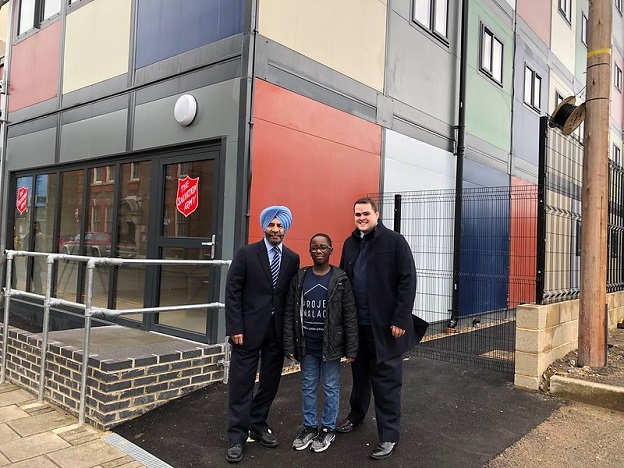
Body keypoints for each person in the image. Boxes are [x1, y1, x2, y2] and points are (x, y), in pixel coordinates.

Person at [336, 197, 424, 460]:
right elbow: (343, 280)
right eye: (357, 214)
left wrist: (400, 319)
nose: (361, 218)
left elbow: (408, 280)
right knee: (360, 376)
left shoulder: (394, 242)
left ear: (377, 214)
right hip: (358, 326)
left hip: (386, 327)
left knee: (386, 382)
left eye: (365, 213)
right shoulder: (350, 244)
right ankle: (356, 415)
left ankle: (388, 436)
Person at [225, 205, 300, 464]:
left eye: (280, 226)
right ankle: (236, 436)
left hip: (275, 333)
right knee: (241, 383)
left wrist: (290, 334)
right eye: (272, 225)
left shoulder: (292, 258)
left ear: (286, 228)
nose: (275, 229)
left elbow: (289, 298)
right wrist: (234, 327)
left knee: (270, 383)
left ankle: (257, 424)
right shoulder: (246, 253)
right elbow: (233, 290)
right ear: (264, 226)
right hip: (246, 331)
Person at [283, 233, 358, 453]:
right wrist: (289, 345)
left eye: (323, 247)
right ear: (310, 250)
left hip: (330, 347)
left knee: (330, 387)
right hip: (307, 346)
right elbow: (290, 313)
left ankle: (327, 429)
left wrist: (352, 348)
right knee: (308, 387)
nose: (318, 251)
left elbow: (350, 314)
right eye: (314, 247)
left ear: (331, 250)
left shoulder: (340, 278)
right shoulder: (300, 278)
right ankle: (308, 427)